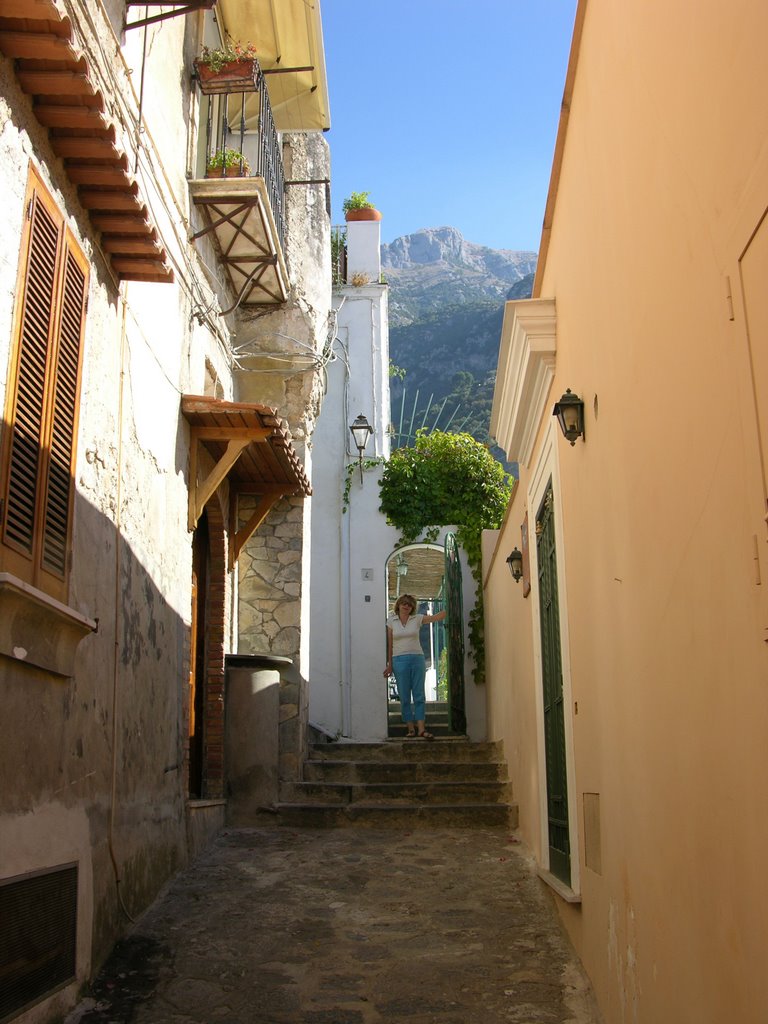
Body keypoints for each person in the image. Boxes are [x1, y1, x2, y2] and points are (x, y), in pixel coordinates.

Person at [384, 594, 446, 739]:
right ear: (398, 605)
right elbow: (390, 644)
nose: (406, 606)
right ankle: (410, 729)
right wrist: (389, 665)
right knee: (404, 696)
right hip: (398, 661)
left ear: (412, 607)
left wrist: (451, 603)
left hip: (417, 659)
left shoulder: (417, 619)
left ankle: (421, 730)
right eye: (404, 603)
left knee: (419, 695)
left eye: (409, 604)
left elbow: (436, 617)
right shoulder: (391, 620)